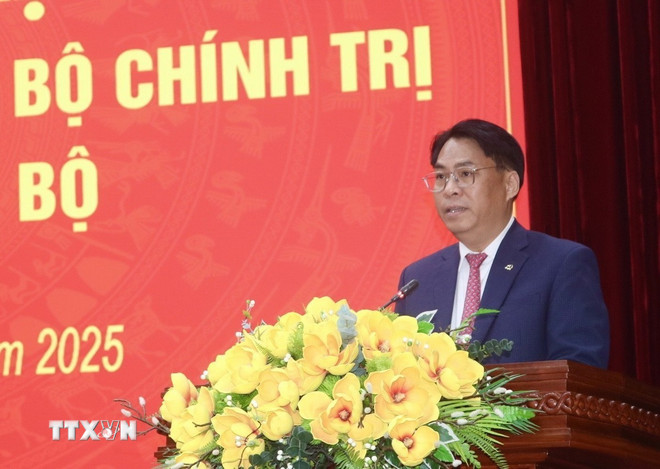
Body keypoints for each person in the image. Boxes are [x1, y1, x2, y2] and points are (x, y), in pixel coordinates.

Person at [395, 118, 610, 368]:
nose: (450, 189)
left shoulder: (561, 264)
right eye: (441, 176)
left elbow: (579, 372)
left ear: (510, 184)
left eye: (465, 174)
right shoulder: (417, 279)